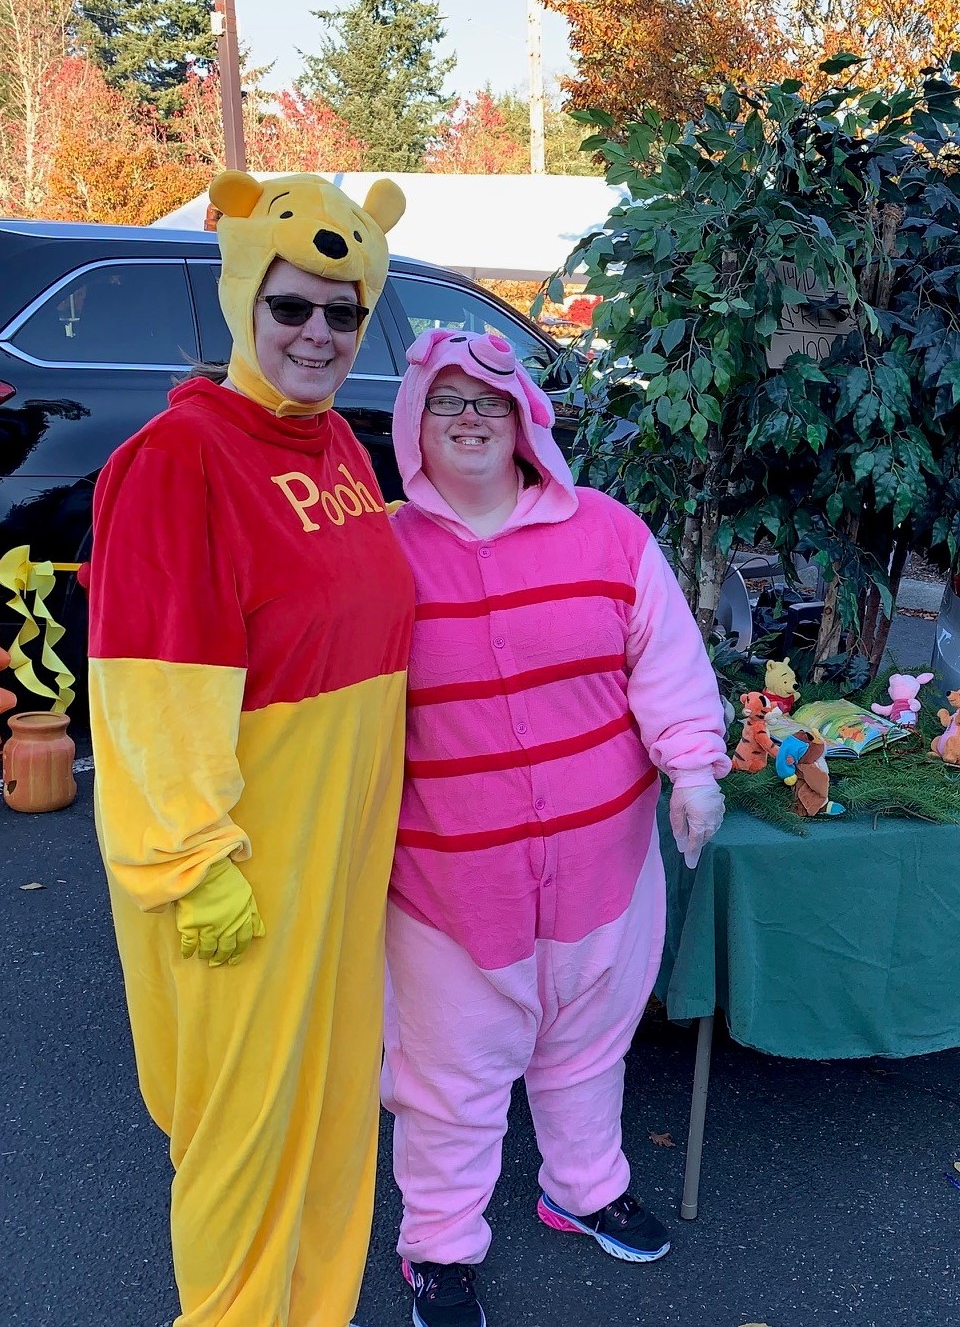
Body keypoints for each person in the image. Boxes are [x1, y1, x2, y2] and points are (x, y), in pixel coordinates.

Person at [86, 171, 412, 1325]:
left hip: (340, 866)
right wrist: (193, 859)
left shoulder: (340, 448)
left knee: (329, 1116)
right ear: (242, 300)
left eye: (343, 312)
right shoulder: (180, 457)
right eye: (291, 306)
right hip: (242, 869)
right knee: (240, 1138)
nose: (318, 334)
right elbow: (147, 686)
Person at [379, 329, 730, 1327]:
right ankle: (439, 1247)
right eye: (447, 401)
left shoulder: (610, 533)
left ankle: (584, 1188)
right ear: (412, 423)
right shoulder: (379, 551)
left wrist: (693, 767)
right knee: (448, 1081)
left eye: (490, 400)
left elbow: (664, 660)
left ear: (526, 417)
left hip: (602, 869)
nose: (470, 419)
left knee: (587, 1046)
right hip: (447, 886)